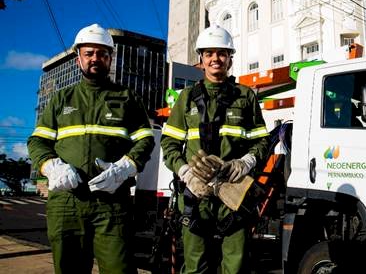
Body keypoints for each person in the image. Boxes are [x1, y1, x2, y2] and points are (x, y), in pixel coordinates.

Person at [27, 23, 155, 274]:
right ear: (79, 59)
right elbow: (37, 141)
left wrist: (126, 167)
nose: (95, 58)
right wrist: (51, 166)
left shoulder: (128, 98)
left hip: (112, 204)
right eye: (89, 53)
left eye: (102, 53)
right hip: (66, 202)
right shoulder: (61, 99)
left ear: (110, 59)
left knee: (119, 268)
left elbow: (145, 140)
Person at [161, 25, 269, 274]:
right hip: (195, 197)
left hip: (234, 194)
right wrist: (185, 172)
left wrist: (247, 162)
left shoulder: (246, 97)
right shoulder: (186, 98)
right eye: (209, 53)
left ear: (230, 58)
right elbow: (169, 143)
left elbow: (262, 141)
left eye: (222, 53)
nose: (215, 59)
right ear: (201, 59)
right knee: (195, 267)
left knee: (235, 266)